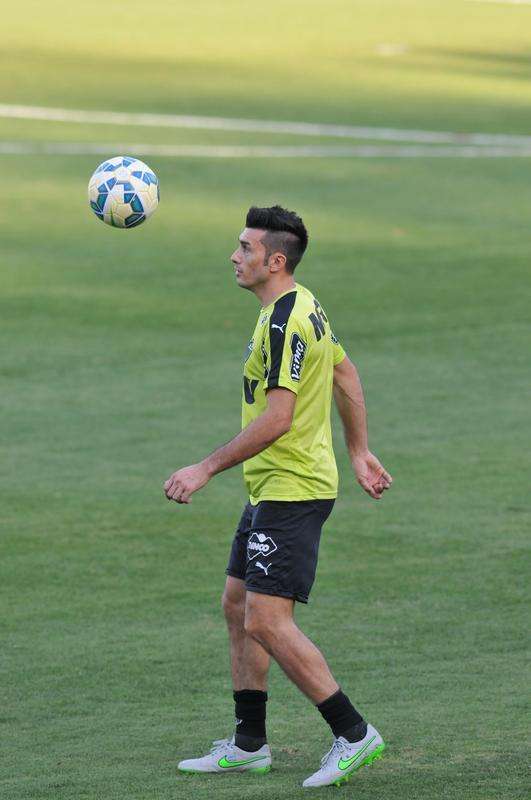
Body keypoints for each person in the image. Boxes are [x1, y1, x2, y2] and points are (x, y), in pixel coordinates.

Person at [164, 205, 392, 788]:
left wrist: (205, 467)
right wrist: (360, 450)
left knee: (266, 618)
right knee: (237, 605)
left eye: (244, 248)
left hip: (293, 488)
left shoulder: (283, 322)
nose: (234, 256)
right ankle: (248, 743)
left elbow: (279, 419)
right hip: (274, 486)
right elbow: (344, 373)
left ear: (275, 260)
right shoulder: (303, 305)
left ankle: (353, 734)